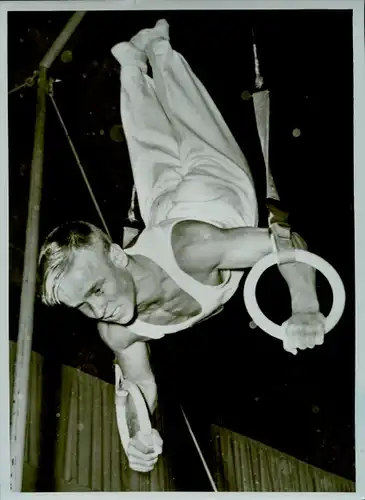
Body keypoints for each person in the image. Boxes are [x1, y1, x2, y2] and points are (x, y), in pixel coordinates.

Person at [38, 20, 325, 474]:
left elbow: (287, 244)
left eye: (95, 290)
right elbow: (139, 385)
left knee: (190, 121)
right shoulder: (117, 332)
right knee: (148, 145)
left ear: (115, 253)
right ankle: (131, 66)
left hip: (214, 196)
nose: (99, 310)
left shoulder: (199, 249)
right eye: (83, 306)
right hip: (161, 213)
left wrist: (306, 306)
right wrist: (137, 433)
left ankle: (159, 46)